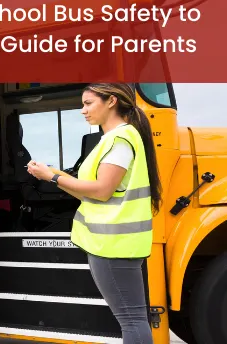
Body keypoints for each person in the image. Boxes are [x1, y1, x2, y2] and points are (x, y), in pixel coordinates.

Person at [26, 83, 161, 344]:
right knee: (133, 318)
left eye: (88, 103)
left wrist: (52, 177)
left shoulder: (119, 139)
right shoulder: (117, 138)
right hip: (114, 243)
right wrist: (52, 174)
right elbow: (89, 192)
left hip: (112, 243)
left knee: (132, 320)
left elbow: (101, 191)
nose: (83, 110)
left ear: (111, 101)